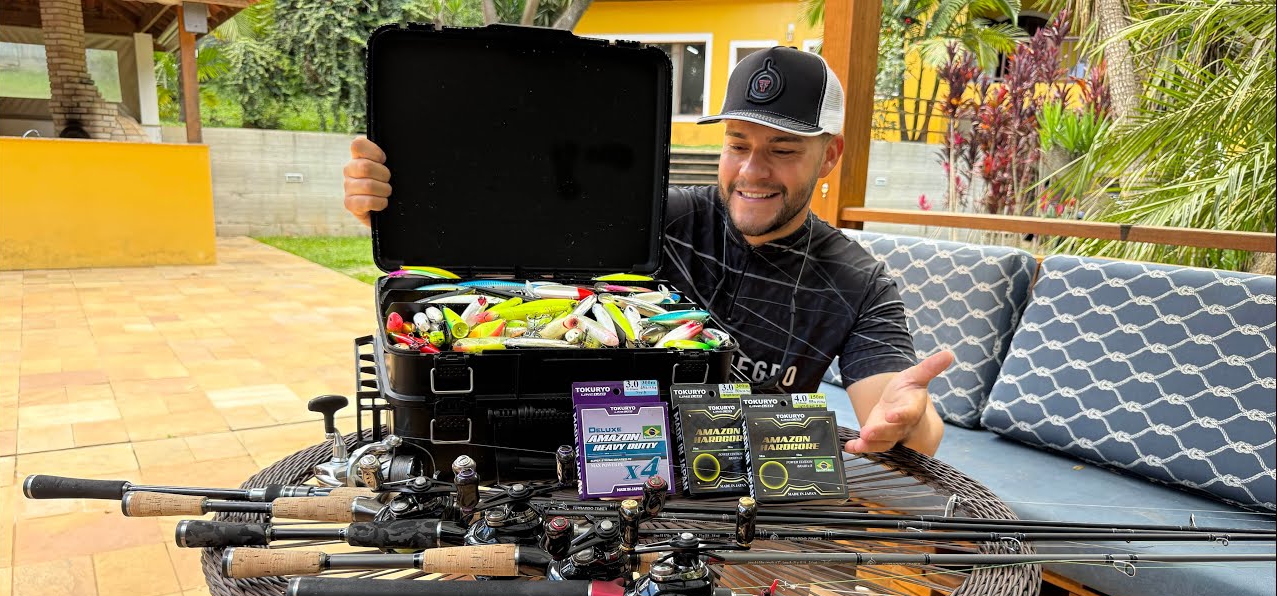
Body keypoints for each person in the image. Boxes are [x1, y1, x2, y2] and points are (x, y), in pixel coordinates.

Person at [343, 46, 952, 456]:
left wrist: (911, 418)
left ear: (831, 156)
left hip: (742, 479)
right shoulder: (656, 220)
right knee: (494, 577)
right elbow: (504, 225)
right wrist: (399, 200)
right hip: (601, 451)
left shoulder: (856, 282)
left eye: (784, 150)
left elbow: (898, 416)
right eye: (738, 143)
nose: (752, 171)